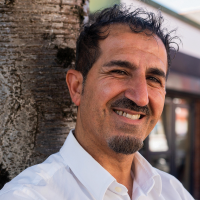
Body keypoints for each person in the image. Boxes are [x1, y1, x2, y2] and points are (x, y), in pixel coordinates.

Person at [0, 4, 194, 200]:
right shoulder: (28, 195)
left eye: (153, 79)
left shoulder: (173, 192)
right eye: (119, 72)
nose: (141, 97)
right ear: (76, 87)